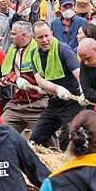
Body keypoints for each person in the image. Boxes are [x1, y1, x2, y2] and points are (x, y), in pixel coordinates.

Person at [29, 21, 83, 151]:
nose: (45, 40)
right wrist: (57, 89)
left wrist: (83, 92)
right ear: (34, 38)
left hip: (72, 102)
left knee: (71, 139)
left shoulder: (63, 49)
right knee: (35, 139)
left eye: (47, 36)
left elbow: (79, 74)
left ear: (52, 34)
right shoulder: (33, 54)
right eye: (40, 37)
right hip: (54, 102)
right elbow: (39, 80)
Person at [0, 21, 47, 136]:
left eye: (13, 34)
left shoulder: (39, 50)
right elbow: (5, 70)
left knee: (46, 142)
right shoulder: (13, 48)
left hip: (37, 105)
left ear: (24, 36)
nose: (10, 37)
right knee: (0, 134)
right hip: (15, 105)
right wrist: (14, 78)